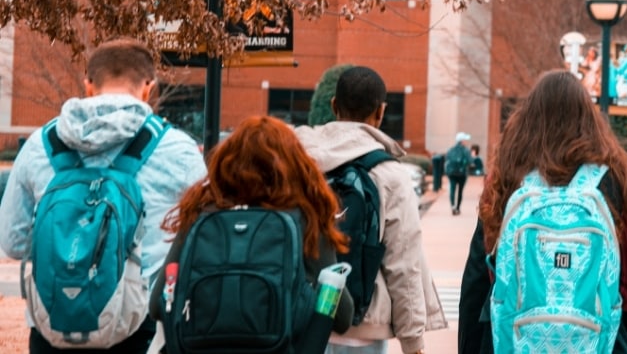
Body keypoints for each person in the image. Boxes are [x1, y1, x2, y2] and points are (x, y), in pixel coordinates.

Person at [0, 38, 208, 354]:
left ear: (88, 84)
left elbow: (12, 242)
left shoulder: (40, 146)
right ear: (149, 87)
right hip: (137, 329)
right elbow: (201, 241)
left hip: (52, 328)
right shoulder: (178, 150)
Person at [477, 69, 627, 351]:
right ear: (590, 120)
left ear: (527, 119)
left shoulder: (506, 177)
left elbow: (488, 277)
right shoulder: (615, 180)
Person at [149, 115, 355, 349]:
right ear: (294, 165)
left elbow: (158, 304)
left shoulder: (202, 215)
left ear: (226, 163)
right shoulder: (305, 219)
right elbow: (343, 317)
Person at [295, 66, 446, 354]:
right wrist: (412, 342)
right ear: (380, 112)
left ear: (334, 106)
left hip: (305, 320)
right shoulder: (390, 173)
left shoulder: (300, 162)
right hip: (364, 326)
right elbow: (404, 263)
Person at [446, 132, 474, 215]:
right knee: (460, 191)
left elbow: (447, 159)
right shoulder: (466, 150)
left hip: (452, 172)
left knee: (452, 189)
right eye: (465, 140)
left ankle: (453, 206)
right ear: (462, 141)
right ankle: (458, 208)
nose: (466, 141)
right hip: (462, 173)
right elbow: (470, 161)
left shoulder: (451, 149)